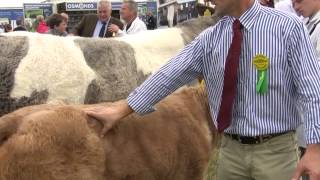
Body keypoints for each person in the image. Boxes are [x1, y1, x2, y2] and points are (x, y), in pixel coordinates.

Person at [85, 0, 320, 180]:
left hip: (276, 152)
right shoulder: (211, 38)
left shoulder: (287, 28)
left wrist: (315, 149)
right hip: (230, 151)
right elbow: (169, 75)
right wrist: (122, 108)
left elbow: (312, 89)